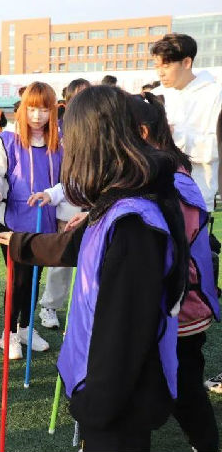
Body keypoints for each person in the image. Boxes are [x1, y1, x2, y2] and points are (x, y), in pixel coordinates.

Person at [0, 85, 188, 452]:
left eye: (73, 141)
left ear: (94, 145)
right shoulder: (118, 201)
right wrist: (23, 243)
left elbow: (123, 333)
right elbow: (77, 245)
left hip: (115, 405)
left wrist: (96, 407)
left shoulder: (133, 223)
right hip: (104, 392)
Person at [128, 92, 219, 452]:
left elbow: (170, 244)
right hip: (166, 303)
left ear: (142, 132)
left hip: (181, 306)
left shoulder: (172, 181)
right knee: (164, 382)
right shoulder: (154, 172)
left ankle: (205, 444)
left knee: (184, 387)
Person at [0, 82, 62, 359]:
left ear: (53, 111)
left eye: (44, 110)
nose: (37, 116)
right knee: (18, 280)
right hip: (13, 222)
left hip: (45, 223)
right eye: (32, 109)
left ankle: (25, 328)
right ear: (23, 109)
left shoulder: (60, 141)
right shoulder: (8, 140)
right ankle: (9, 333)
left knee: (34, 279)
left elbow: (67, 180)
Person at [33, 78, 90, 329]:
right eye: (79, 96)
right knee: (62, 260)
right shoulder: (57, 130)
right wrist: (54, 196)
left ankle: (85, 308)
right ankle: (49, 306)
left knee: (92, 262)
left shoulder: (98, 127)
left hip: (95, 207)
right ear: (67, 101)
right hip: (66, 204)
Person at [151, 33, 222, 214]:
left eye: (166, 65)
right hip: (158, 189)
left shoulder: (215, 94)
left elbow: (216, 147)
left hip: (197, 191)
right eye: (157, 66)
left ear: (187, 62)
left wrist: (174, 136)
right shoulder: (158, 95)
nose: (160, 72)